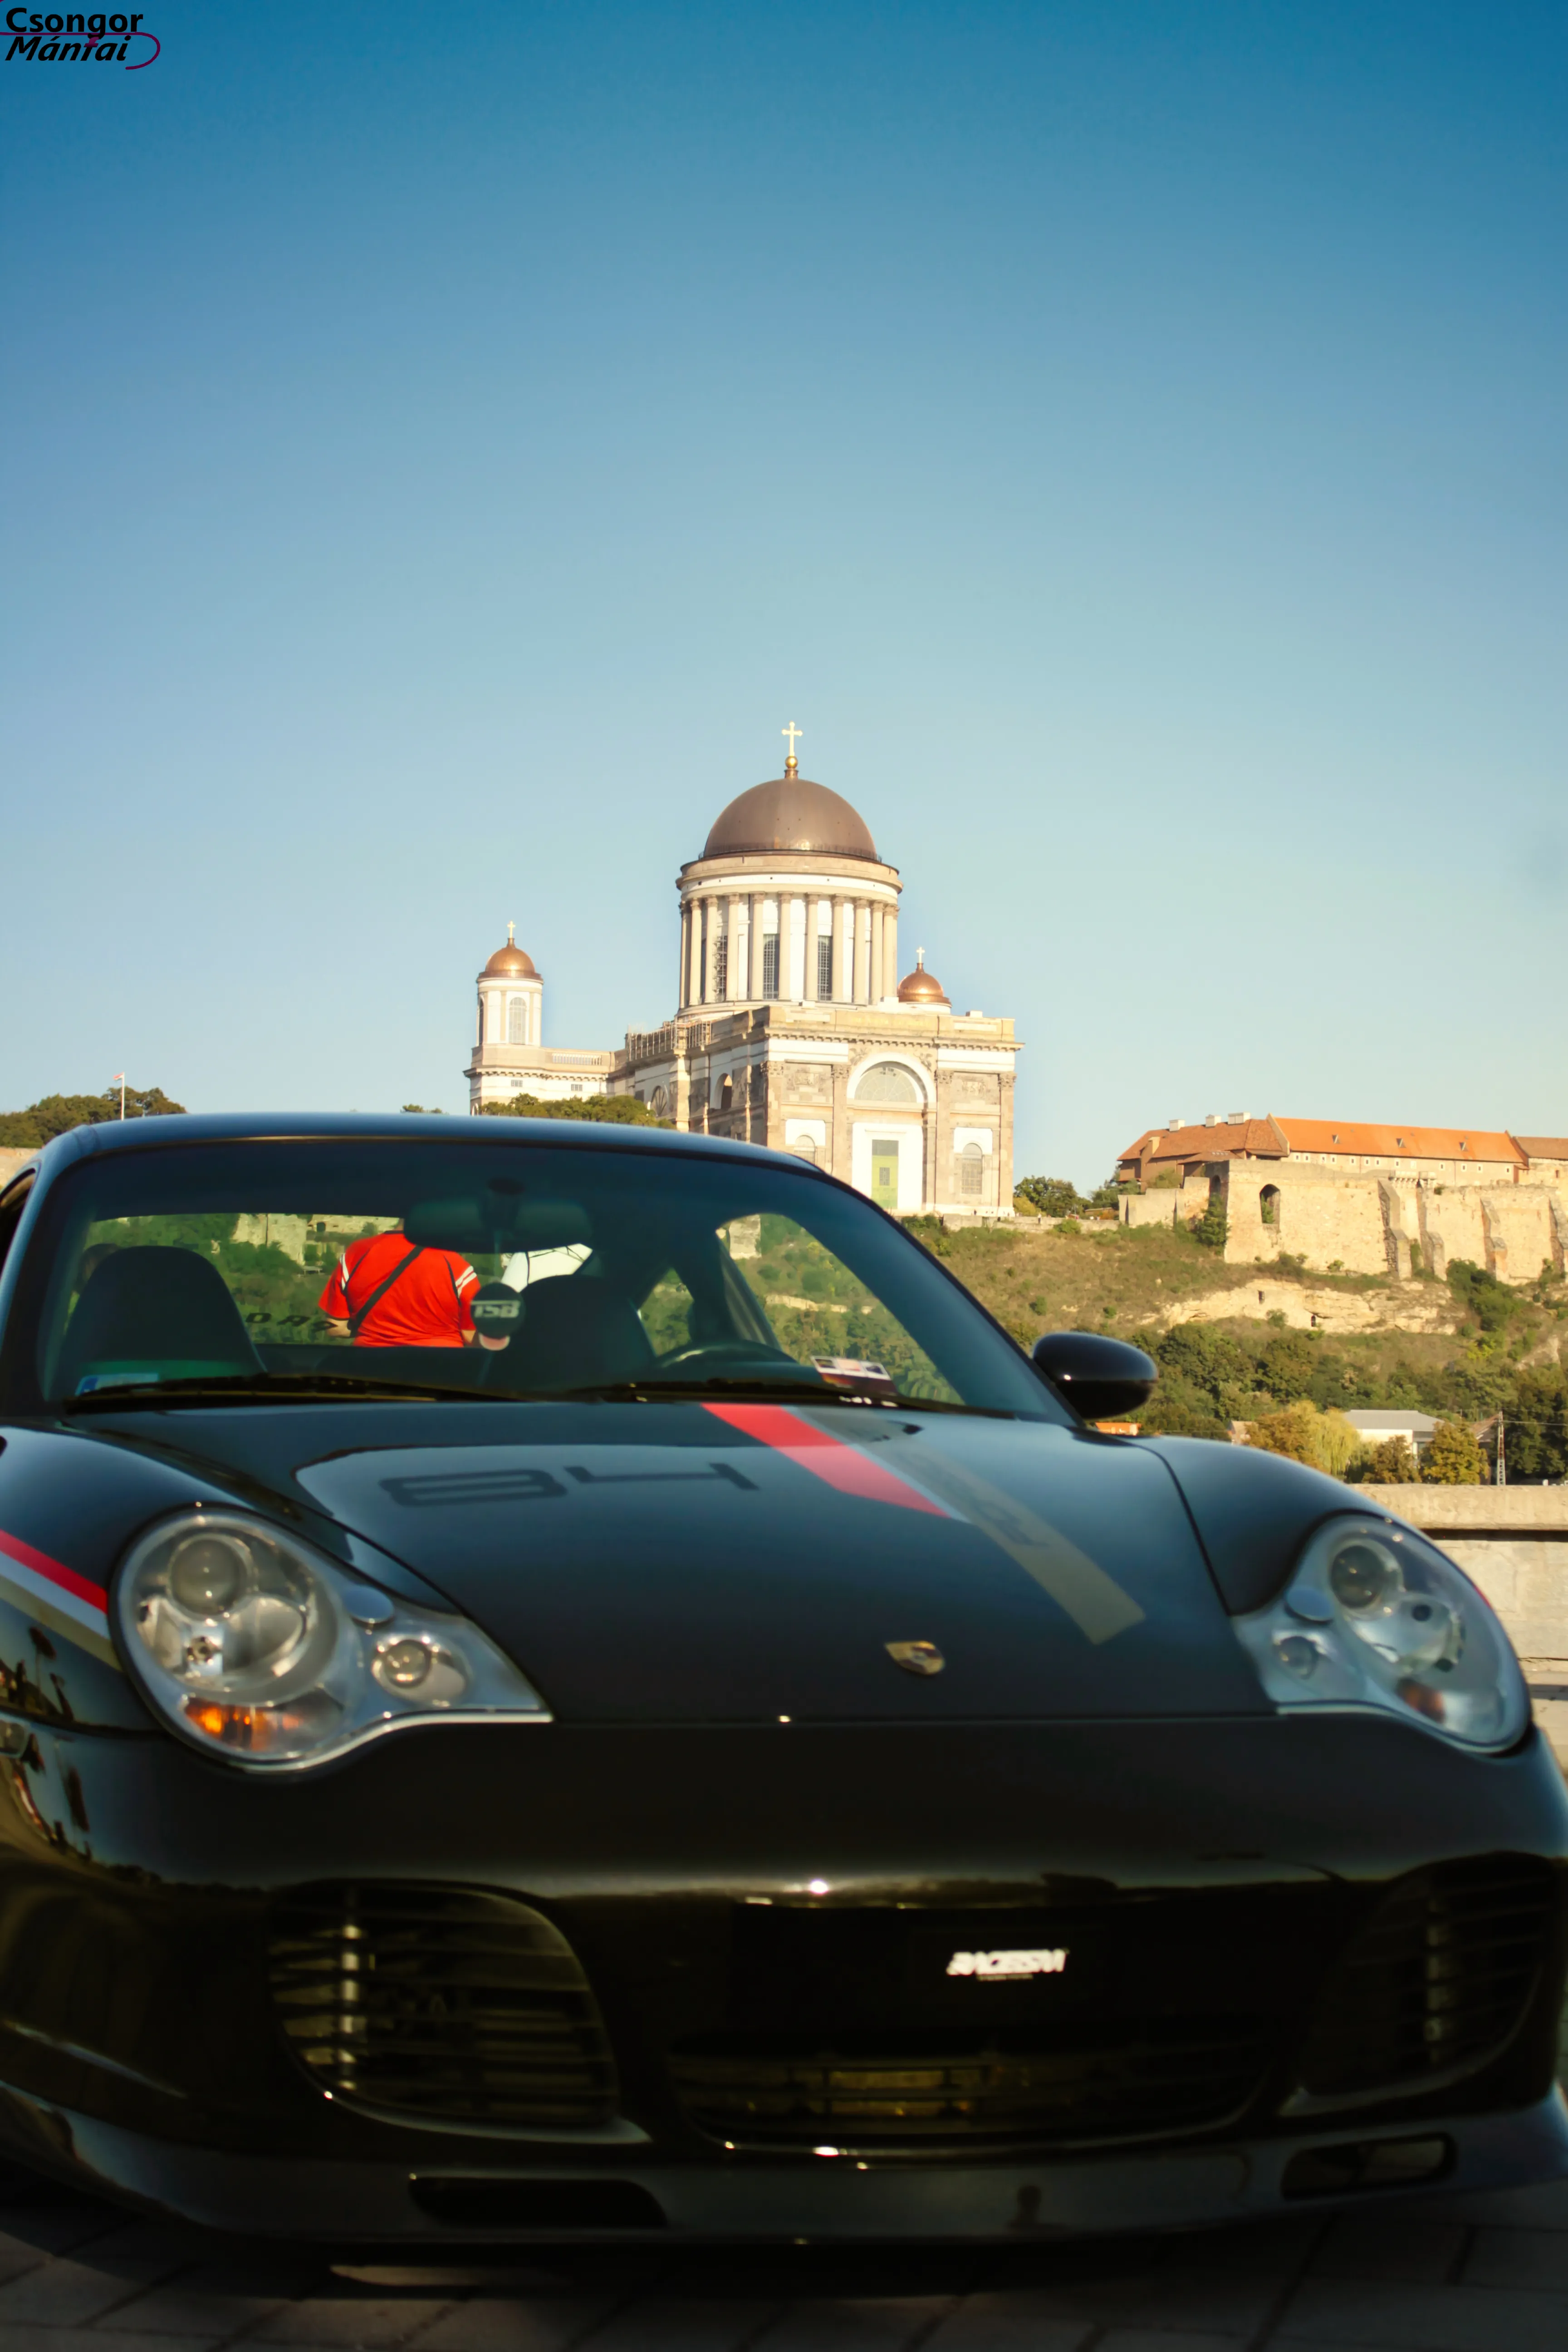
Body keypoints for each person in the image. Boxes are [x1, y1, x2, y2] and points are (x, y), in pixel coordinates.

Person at [318, 1226, 480, 1348]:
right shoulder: (457, 1266)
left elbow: (335, 1328)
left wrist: (378, 1332)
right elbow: (471, 1336)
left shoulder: (354, 1254)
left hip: (370, 1368)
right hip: (438, 1371)